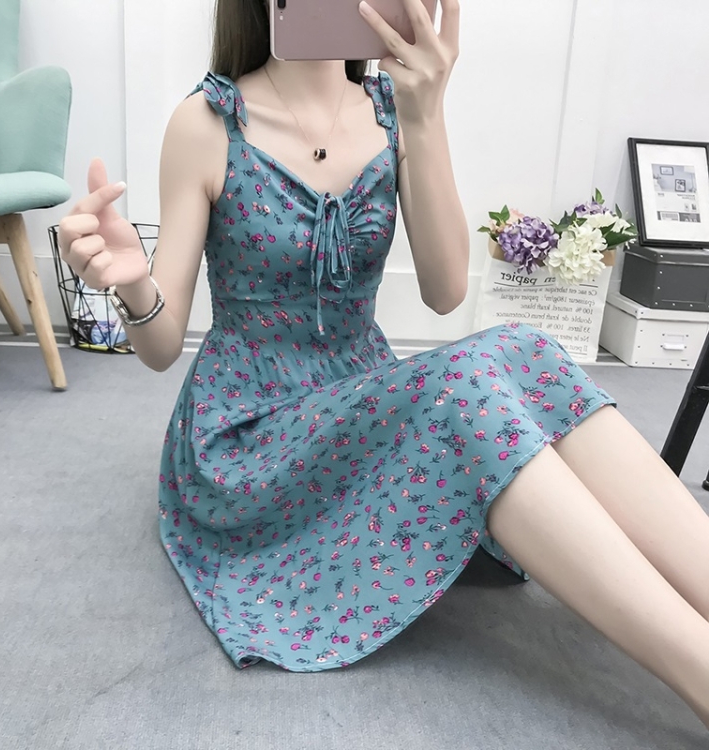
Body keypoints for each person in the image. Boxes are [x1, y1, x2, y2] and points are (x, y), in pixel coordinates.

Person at [58, 0, 709, 731]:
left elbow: (445, 290)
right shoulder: (208, 121)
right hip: (251, 433)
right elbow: (160, 347)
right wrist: (133, 284)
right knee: (463, 390)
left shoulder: (393, 110)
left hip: (360, 396)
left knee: (524, 349)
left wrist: (426, 114)